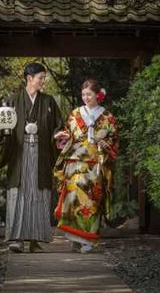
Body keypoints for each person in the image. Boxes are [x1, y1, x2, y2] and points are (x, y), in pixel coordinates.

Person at [0, 62, 63, 253]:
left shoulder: (49, 101)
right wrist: (6, 135)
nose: (43, 81)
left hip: (41, 154)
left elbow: (58, 125)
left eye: (44, 78)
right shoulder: (12, 100)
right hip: (19, 153)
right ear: (29, 78)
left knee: (38, 194)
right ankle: (17, 239)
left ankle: (36, 239)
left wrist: (58, 135)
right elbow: (2, 127)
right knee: (19, 194)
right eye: (41, 77)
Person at [53, 78, 118, 253]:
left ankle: (88, 240)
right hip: (75, 161)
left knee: (92, 199)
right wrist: (64, 136)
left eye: (89, 94)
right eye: (83, 94)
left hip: (95, 162)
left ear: (98, 95)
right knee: (73, 198)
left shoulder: (107, 117)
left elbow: (113, 138)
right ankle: (74, 237)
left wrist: (106, 145)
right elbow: (69, 132)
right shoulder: (75, 113)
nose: (86, 98)